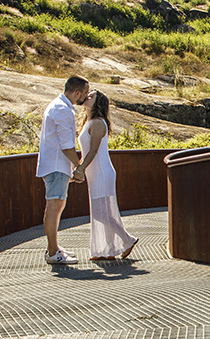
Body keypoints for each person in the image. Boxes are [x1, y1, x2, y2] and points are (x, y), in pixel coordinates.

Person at [74, 90, 138, 261]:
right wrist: (79, 167)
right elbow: (86, 150)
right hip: (94, 171)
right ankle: (108, 250)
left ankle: (126, 240)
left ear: (98, 103)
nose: (87, 96)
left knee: (101, 212)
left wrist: (81, 168)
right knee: (101, 211)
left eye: (91, 96)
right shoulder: (88, 122)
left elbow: (94, 150)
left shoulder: (98, 123)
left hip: (101, 171)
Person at [36, 75, 90, 264]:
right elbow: (67, 146)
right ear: (77, 93)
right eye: (85, 93)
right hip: (56, 166)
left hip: (55, 165)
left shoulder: (57, 105)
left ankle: (54, 248)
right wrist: (79, 167)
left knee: (56, 206)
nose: (86, 97)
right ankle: (52, 253)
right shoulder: (62, 110)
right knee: (54, 207)